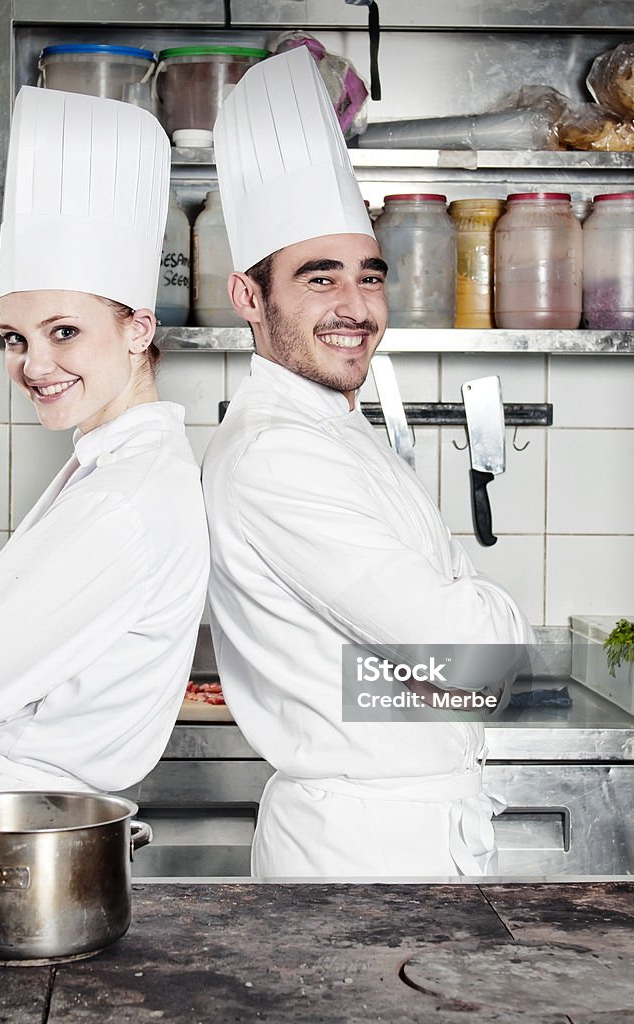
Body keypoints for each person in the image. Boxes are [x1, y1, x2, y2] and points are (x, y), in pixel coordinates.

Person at [202, 47, 534, 878]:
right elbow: (475, 663)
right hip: (360, 856)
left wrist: (426, 656)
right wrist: (478, 620)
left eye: (369, 277)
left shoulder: (331, 427)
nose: (355, 308)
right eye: (320, 280)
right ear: (250, 297)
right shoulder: (278, 456)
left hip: (405, 833)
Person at [0, 86, 209, 875]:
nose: (33, 364)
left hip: (10, 860)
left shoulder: (125, 503)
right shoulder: (109, 472)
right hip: (0, 843)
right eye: (14, 337)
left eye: (65, 332)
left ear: (138, 328)